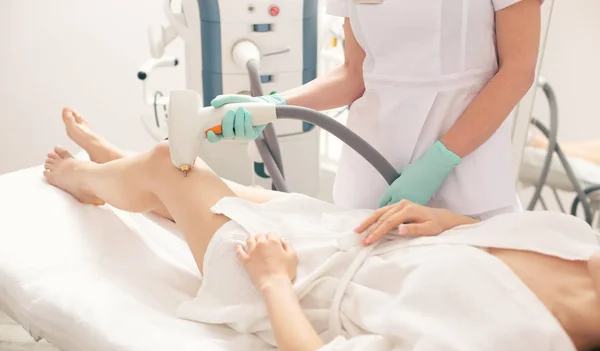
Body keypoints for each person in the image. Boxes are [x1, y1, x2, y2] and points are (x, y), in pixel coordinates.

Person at [44, 107, 600, 351]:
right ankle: (127, 171)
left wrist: (273, 282)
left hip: (297, 276)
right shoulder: (580, 245)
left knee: (172, 161)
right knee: (238, 193)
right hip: (355, 238)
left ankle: (93, 179)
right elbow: (488, 248)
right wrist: (447, 221)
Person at [205, 0, 544, 220]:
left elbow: (517, 71)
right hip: (371, 179)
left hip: (470, 180)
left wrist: (441, 160)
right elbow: (356, 74)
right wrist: (272, 106)